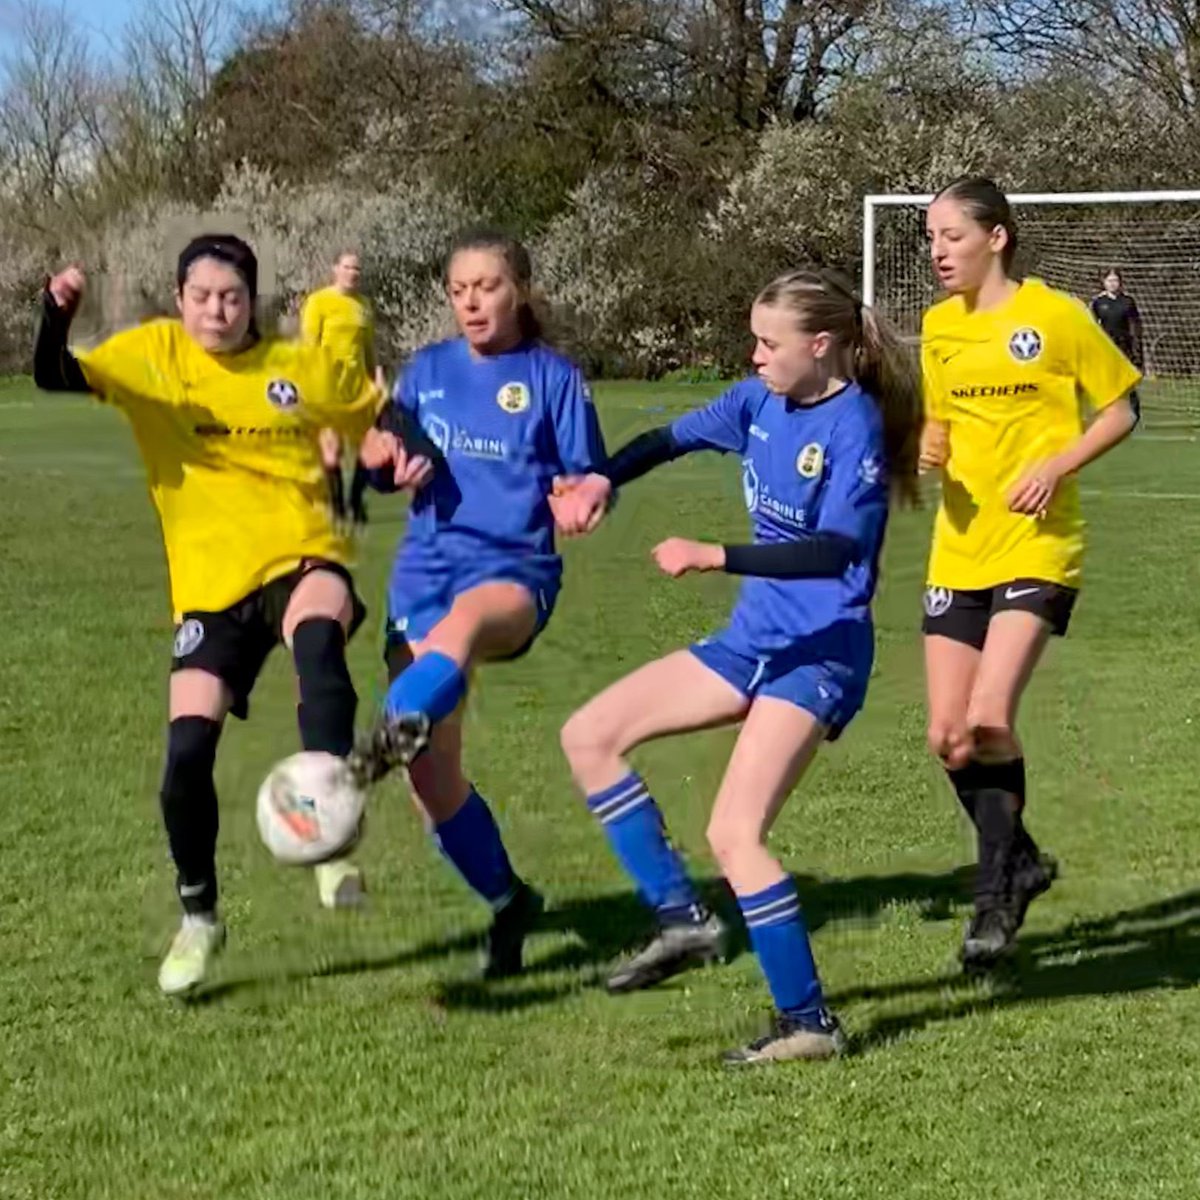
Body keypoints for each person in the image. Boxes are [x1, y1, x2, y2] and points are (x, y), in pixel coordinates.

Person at [549, 267, 923, 1064]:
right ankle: (680, 919)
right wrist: (600, 479)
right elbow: (668, 440)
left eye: (767, 342)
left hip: (819, 652)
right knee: (589, 735)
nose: (753, 355)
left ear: (819, 345)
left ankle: (809, 1024)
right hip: (752, 641)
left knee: (733, 833)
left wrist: (715, 554)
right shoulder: (757, 402)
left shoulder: (853, 426)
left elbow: (837, 551)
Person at [34, 235, 385, 996]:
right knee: (186, 760)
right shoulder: (154, 356)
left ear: (251, 301)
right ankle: (200, 918)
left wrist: (399, 455)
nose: (216, 311)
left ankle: (330, 842)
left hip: (299, 552)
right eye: (201, 297)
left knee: (319, 645)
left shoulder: (295, 367)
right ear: (180, 298)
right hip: (208, 586)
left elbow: (377, 425)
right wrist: (55, 314)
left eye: (231, 298)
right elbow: (55, 375)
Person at [354, 227, 608, 978]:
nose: (471, 302)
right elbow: (386, 459)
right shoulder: (427, 370)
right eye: (458, 289)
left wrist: (580, 499)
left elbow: (586, 476)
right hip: (423, 576)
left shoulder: (554, 379)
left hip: (513, 573)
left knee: (461, 632)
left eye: (487, 286)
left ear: (519, 290)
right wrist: (381, 463)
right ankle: (508, 901)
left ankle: (359, 764)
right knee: (432, 785)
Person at [919, 178, 1140, 969]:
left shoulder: (1055, 315)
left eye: (951, 236)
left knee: (987, 718)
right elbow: (939, 422)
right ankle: (1021, 860)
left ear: (997, 237)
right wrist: (926, 444)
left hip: (1038, 544)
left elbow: (1121, 410)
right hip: (958, 546)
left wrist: (1055, 464)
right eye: (931, 238)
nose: (938, 252)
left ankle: (993, 899)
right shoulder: (938, 327)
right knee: (949, 738)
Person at [300, 250, 378, 526]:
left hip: (358, 389)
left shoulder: (363, 305)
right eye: (347, 267)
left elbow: (368, 348)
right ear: (336, 269)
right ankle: (336, 507)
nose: (352, 273)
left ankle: (354, 501)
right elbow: (309, 346)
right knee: (331, 451)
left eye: (357, 269)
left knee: (367, 449)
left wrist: (375, 380)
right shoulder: (319, 301)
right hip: (329, 388)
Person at [1089, 268, 1144, 423]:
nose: (1113, 284)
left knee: (1126, 381)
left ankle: (1133, 413)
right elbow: (1092, 326)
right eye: (1109, 280)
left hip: (1124, 346)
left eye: (1115, 280)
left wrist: (1136, 349)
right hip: (1106, 347)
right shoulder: (1098, 302)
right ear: (1104, 283)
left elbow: (1135, 325)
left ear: (1120, 283)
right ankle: (1108, 413)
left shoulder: (1128, 302)